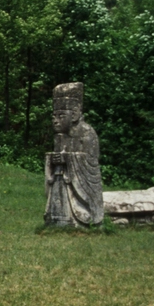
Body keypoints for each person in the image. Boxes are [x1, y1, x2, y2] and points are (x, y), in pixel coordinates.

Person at [44, 82, 104, 227]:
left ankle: (81, 220)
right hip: (60, 181)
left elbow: (91, 163)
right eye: (54, 116)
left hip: (76, 182)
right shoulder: (59, 137)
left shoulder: (87, 134)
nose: (55, 121)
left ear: (75, 114)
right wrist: (51, 159)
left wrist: (67, 159)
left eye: (61, 116)